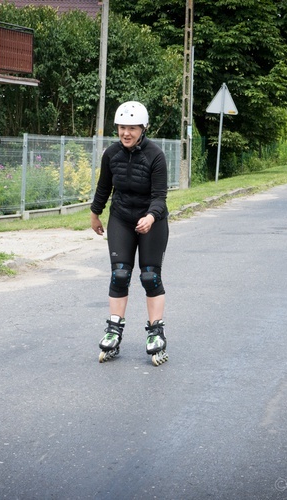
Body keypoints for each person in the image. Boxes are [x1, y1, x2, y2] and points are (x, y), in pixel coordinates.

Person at [90, 101, 170, 366]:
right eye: (122, 127)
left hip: (152, 221)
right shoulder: (111, 154)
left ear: (143, 128)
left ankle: (156, 332)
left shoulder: (155, 155)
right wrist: (95, 213)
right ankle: (114, 330)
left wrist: (150, 216)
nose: (126, 133)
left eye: (132, 128)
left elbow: (160, 196)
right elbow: (104, 187)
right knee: (120, 273)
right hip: (121, 218)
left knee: (149, 275)